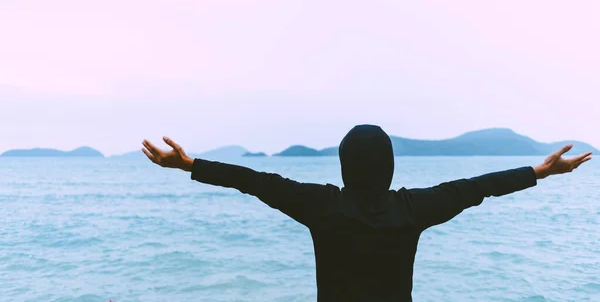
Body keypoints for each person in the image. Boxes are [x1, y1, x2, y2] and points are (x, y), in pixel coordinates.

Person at [141, 124, 592, 302]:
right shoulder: (412, 209)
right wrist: (539, 172)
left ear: (344, 166)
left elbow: (255, 181)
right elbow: (477, 188)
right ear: (390, 166)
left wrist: (190, 165)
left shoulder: (322, 206)